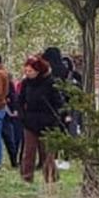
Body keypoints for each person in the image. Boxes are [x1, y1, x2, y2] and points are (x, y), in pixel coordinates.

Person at [18, 56, 66, 184]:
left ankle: (51, 178)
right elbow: (20, 101)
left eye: (30, 71)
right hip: (30, 122)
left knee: (47, 153)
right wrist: (22, 116)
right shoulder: (25, 83)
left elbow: (59, 104)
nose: (27, 74)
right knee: (28, 152)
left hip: (48, 123)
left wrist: (55, 119)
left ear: (38, 71)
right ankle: (26, 177)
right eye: (26, 71)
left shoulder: (51, 83)